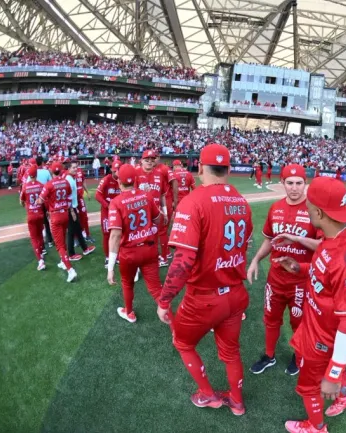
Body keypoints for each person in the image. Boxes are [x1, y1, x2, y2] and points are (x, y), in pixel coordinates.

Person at [156, 143, 253, 416]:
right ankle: (236, 402)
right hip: (235, 292)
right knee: (231, 352)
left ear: (199, 167)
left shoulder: (194, 201)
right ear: (230, 169)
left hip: (205, 296)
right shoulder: (241, 201)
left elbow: (184, 260)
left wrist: (164, 300)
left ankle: (209, 395)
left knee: (183, 343)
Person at [275, 177, 346, 433]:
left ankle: (316, 428)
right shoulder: (337, 235)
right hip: (317, 327)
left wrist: (335, 374)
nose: (305, 211)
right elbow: (326, 274)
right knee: (317, 379)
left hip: (324, 338)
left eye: (308, 208)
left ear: (318, 212)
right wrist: (299, 268)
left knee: (310, 387)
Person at [246, 164, 320, 376]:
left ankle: (298, 357)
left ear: (305, 184)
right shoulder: (276, 208)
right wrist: (256, 260)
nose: (294, 188)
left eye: (299, 183)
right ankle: (269, 356)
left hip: (301, 279)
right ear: (283, 183)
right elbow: (270, 239)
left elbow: (323, 246)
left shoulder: (313, 210)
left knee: (298, 322)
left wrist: (297, 238)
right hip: (275, 278)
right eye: (290, 183)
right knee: (270, 319)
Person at [106, 164, 165, 323]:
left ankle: (129, 312)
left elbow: (115, 235)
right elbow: (159, 219)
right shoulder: (146, 196)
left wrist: (110, 267)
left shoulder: (116, 202)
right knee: (155, 289)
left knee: (127, 283)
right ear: (136, 180)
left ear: (119, 182)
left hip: (129, 253)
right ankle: (173, 322)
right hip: (149, 248)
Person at [37, 162, 77, 283]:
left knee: (59, 245)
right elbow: (70, 197)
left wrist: (42, 200)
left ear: (51, 171)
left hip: (55, 215)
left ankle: (70, 270)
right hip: (65, 213)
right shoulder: (65, 182)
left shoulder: (49, 185)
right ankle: (63, 262)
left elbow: (39, 201)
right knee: (62, 239)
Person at [135, 150, 169, 267]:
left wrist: (165, 212)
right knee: (140, 238)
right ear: (141, 161)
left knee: (156, 236)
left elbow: (162, 195)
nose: (150, 161)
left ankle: (159, 258)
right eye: (147, 159)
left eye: (152, 159)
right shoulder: (136, 174)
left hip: (156, 212)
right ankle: (141, 261)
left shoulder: (159, 174)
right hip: (140, 212)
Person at [65, 161, 95, 260]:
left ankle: (85, 248)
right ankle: (71, 254)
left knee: (77, 228)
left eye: (76, 167)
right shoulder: (68, 179)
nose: (75, 169)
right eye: (73, 167)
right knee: (71, 231)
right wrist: (72, 211)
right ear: (68, 168)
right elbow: (66, 197)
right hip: (71, 208)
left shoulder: (71, 178)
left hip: (74, 206)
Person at [96, 161, 122, 268]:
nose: (118, 173)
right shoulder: (106, 179)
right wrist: (107, 205)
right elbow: (98, 195)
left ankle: (118, 256)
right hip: (107, 212)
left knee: (120, 234)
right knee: (107, 234)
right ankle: (108, 257)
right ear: (111, 170)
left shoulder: (122, 180)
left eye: (119, 170)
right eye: (116, 170)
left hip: (119, 212)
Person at [20, 165, 46, 270]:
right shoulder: (41, 185)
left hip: (31, 214)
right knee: (39, 235)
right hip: (40, 214)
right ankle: (41, 252)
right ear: (36, 174)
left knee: (34, 238)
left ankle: (40, 260)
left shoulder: (25, 186)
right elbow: (45, 200)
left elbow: (21, 201)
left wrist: (26, 205)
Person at [155, 155, 178, 259]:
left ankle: (164, 255)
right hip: (155, 202)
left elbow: (174, 182)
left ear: (158, 158)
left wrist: (175, 201)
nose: (152, 160)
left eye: (154, 157)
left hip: (165, 201)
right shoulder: (150, 169)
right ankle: (166, 252)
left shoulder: (164, 168)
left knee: (162, 230)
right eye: (149, 158)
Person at [35, 156, 54, 248]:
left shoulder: (34, 173)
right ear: (42, 162)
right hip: (45, 198)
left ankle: (41, 244)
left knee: (39, 221)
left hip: (36, 199)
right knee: (47, 220)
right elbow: (51, 183)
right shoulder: (46, 172)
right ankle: (49, 240)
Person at [74, 161, 92, 242]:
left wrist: (87, 192)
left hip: (80, 197)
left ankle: (87, 234)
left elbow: (83, 182)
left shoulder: (80, 171)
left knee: (84, 216)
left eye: (76, 163)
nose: (75, 165)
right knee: (74, 217)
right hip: (73, 198)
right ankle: (76, 237)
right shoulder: (68, 173)